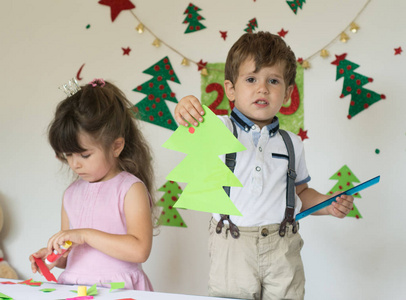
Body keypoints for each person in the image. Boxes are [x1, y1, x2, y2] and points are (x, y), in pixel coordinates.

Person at [174, 32, 354, 300]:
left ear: (289, 92)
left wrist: (328, 203)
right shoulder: (222, 128)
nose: (262, 89)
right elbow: (191, 124)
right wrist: (186, 106)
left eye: (273, 80)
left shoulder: (292, 143)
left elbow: (301, 193)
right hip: (232, 248)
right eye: (251, 79)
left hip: (283, 248)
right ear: (230, 89)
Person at [29, 78, 156, 290]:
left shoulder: (130, 189)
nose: (75, 164)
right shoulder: (70, 194)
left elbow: (140, 250)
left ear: (116, 146)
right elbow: (71, 254)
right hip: (76, 288)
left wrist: (84, 234)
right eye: (68, 154)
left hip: (118, 289)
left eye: (84, 155)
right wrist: (52, 257)